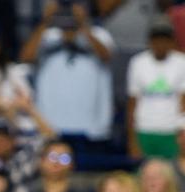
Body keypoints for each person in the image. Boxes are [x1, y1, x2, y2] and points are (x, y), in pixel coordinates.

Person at [19, 1, 114, 141]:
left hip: (91, 130)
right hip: (49, 128)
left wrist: (82, 25)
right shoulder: (47, 36)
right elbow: (25, 57)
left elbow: (106, 56)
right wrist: (45, 22)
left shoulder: (99, 35)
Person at [127, 17, 185, 159]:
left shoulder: (183, 62)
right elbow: (132, 102)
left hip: (172, 131)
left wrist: (184, 135)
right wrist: (132, 140)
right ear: (150, 42)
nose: (160, 44)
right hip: (144, 129)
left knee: (172, 176)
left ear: (172, 42)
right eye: (156, 39)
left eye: (165, 40)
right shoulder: (138, 62)